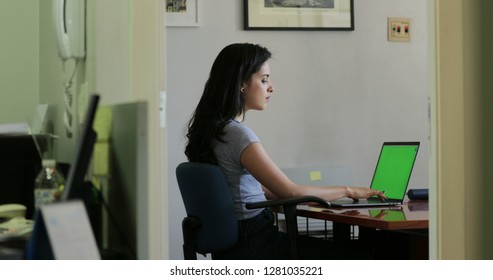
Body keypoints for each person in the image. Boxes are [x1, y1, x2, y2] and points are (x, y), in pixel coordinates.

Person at [184, 43, 386, 259]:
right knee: (363, 257)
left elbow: (263, 191)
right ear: (242, 84)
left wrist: (308, 196)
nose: (271, 87)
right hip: (257, 244)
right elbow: (288, 191)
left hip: (236, 248)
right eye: (264, 80)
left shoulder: (213, 131)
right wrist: (349, 190)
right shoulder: (238, 135)